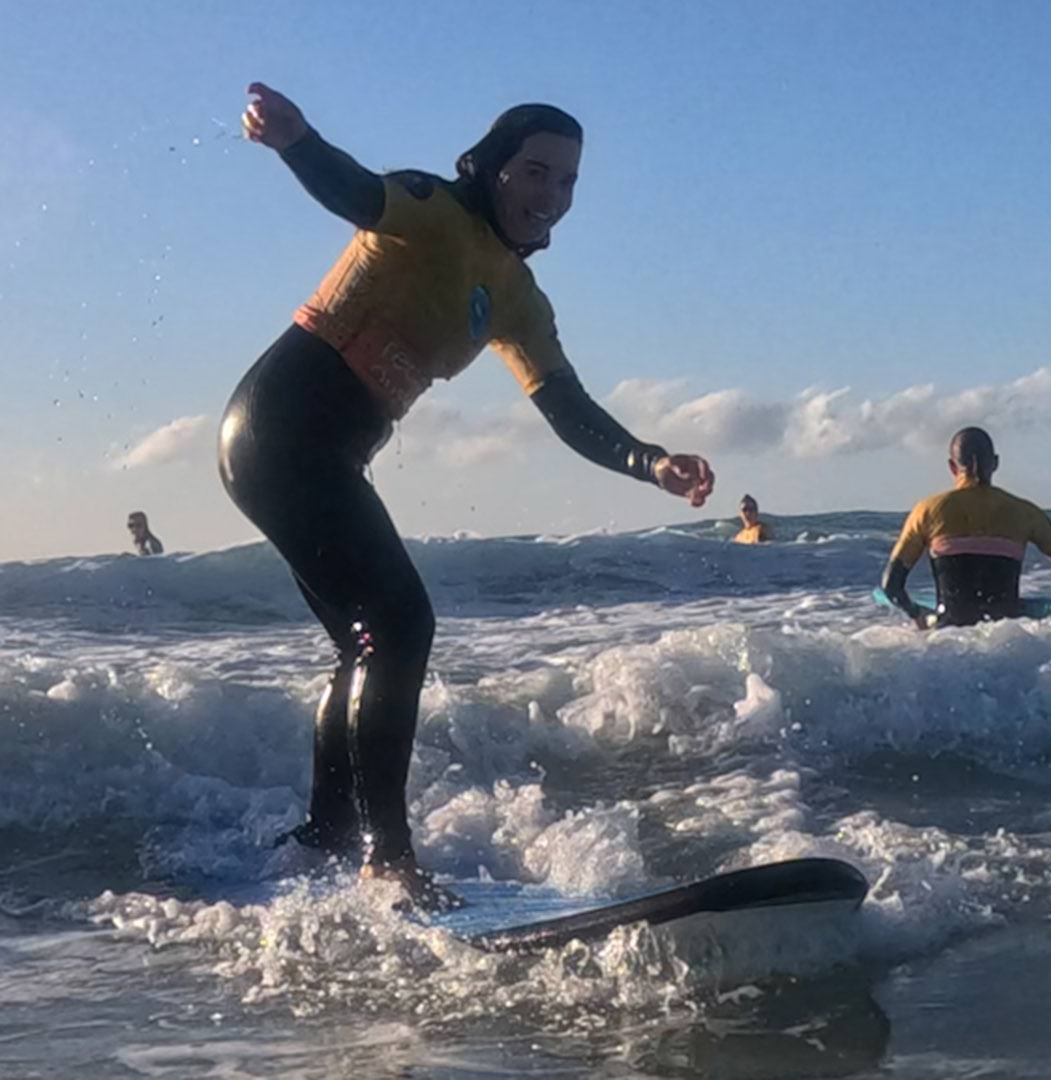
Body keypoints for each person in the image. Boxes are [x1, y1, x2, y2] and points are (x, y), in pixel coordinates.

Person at [222, 84, 714, 907]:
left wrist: (649, 460)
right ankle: (386, 856)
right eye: (535, 171)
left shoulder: (518, 299)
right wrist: (297, 140)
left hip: (325, 457)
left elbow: (566, 408)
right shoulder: (427, 207)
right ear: (491, 168)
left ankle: (330, 834)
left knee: (367, 641)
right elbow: (352, 187)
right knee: (403, 623)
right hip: (279, 430)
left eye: (567, 182)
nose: (551, 195)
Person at [881, 427, 1051, 628]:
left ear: (952, 467)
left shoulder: (927, 511)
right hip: (1007, 637)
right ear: (995, 463)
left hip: (949, 639)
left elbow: (891, 587)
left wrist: (916, 614)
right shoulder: (1025, 512)